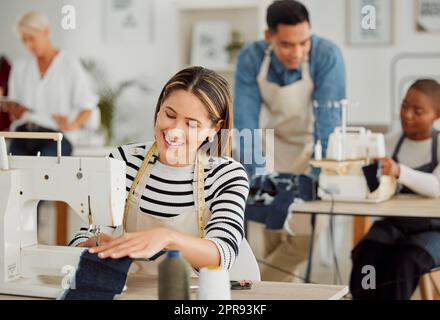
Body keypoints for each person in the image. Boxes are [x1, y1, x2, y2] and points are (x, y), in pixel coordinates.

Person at [69, 67, 249, 273]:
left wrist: (168, 238)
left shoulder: (227, 175)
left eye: (191, 124)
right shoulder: (123, 161)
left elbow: (221, 255)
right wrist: (96, 243)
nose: (174, 131)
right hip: (132, 290)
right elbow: (80, 239)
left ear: (214, 129)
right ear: (159, 108)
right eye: (169, 115)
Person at [233, 0, 346, 281]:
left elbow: (328, 123)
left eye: (303, 42)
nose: (297, 52)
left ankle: (254, 286)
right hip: (270, 148)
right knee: (272, 232)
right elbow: (245, 123)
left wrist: (314, 177)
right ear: (268, 36)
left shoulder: (326, 55)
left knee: (300, 241)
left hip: (313, 146)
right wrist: (258, 178)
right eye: (286, 44)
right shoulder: (251, 57)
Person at [350, 79, 440, 300]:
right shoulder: (388, 143)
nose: (407, 115)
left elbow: (436, 187)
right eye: (404, 105)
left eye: (417, 111)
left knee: (404, 262)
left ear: (436, 116)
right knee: (367, 256)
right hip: (394, 225)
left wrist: (399, 170)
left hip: (433, 230)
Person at [0, 11, 97, 156]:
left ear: (46, 32)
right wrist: (12, 109)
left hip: (55, 136)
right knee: (11, 170)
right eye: (24, 40)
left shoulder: (69, 64)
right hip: (22, 134)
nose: (28, 45)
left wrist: (72, 124)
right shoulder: (20, 67)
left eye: (32, 38)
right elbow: (16, 111)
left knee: (44, 170)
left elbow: (88, 106)